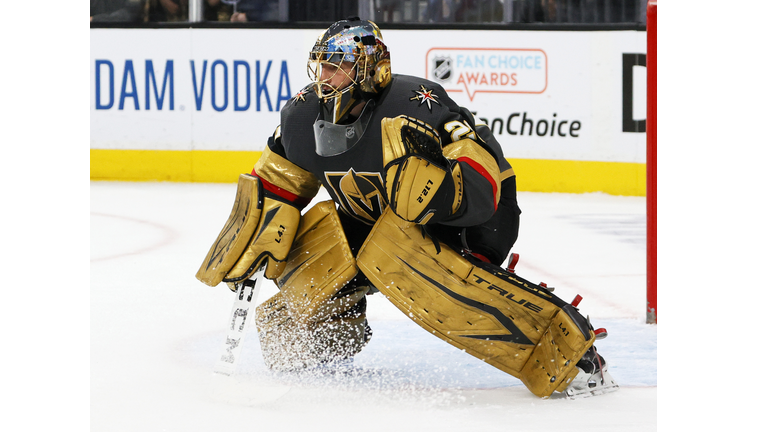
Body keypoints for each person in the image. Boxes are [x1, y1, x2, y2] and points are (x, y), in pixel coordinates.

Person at [196, 17, 618, 399]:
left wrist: (437, 193)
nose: (324, 77)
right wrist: (258, 226)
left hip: (472, 216)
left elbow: (482, 178)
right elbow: (277, 183)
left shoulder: (418, 104)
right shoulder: (302, 114)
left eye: (336, 65)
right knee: (324, 242)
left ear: (370, 69)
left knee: (406, 257)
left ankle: (571, 354)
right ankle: (326, 337)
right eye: (321, 65)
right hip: (375, 216)